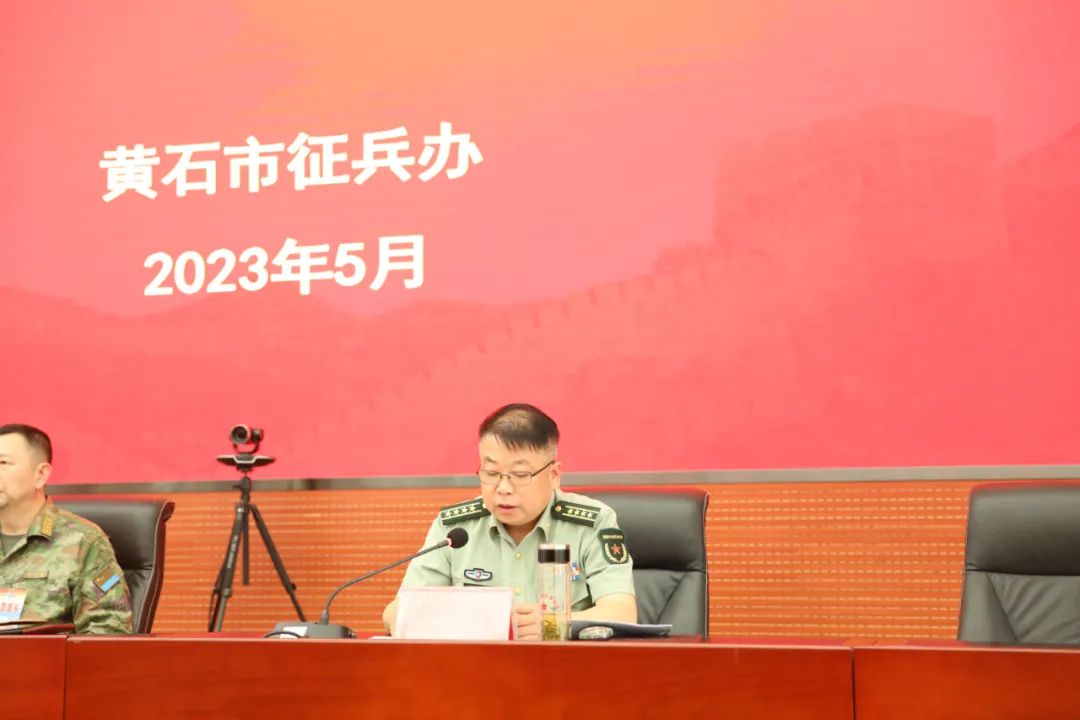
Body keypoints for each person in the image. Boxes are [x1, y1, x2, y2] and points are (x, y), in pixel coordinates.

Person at [382, 403, 637, 639]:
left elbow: (623, 612)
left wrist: (554, 624)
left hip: (564, 666)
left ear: (554, 475)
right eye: (491, 473)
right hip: (478, 667)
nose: (503, 488)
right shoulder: (455, 529)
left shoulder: (592, 523)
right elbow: (395, 614)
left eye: (520, 474)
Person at [0, 423, 133, 633]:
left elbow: (109, 630)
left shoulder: (84, 540)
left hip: (47, 654)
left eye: (3, 462)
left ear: (40, 474)